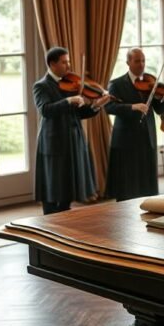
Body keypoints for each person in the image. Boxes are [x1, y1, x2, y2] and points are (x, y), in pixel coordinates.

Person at [33, 47, 112, 215]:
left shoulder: (70, 84)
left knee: (67, 187)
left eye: (68, 62)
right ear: (52, 64)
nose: (68, 66)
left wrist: (96, 105)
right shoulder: (41, 86)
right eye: (64, 62)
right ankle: (49, 222)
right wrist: (68, 100)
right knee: (52, 187)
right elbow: (46, 110)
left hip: (73, 140)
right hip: (54, 141)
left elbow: (79, 114)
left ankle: (64, 218)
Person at [105, 48, 164, 201]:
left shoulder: (151, 82)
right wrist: (132, 107)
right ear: (128, 62)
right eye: (137, 61)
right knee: (127, 183)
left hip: (147, 136)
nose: (141, 64)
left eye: (143, 60)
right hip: (126, 139)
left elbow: (159, 109)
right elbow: (109, 107)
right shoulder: (116, 84)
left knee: (146, 181)